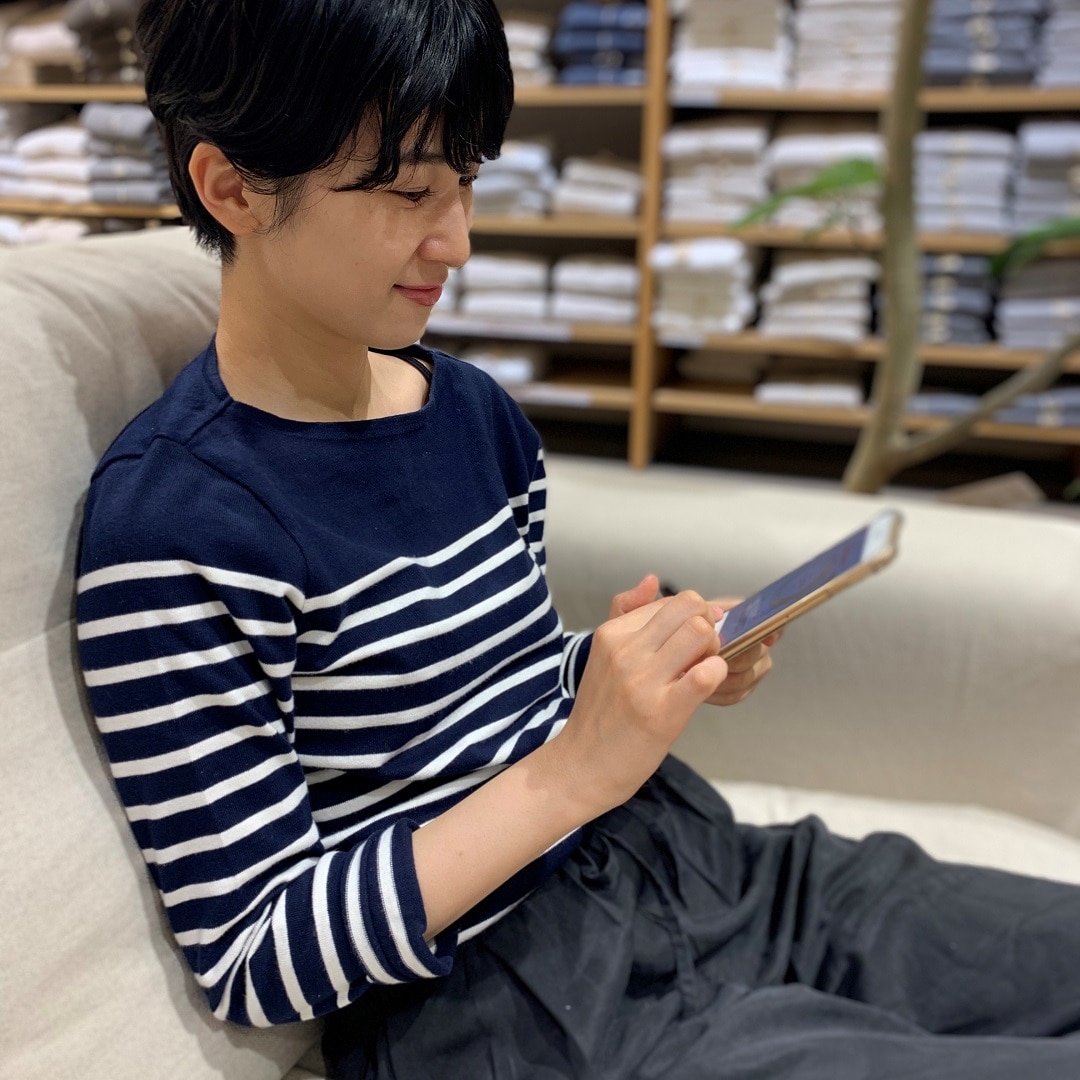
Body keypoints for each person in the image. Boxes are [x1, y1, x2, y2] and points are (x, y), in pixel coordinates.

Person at [75, 2, 1080, 1077]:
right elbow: (256, 952)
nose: (456, 241)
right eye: (409, 192)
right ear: (231, 187)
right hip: (507, 1009)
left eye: (465, 182)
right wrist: (578, 767)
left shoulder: (471, 413)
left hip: (693, 861)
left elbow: (488, 702)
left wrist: (623, 667)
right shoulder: (177, 528)